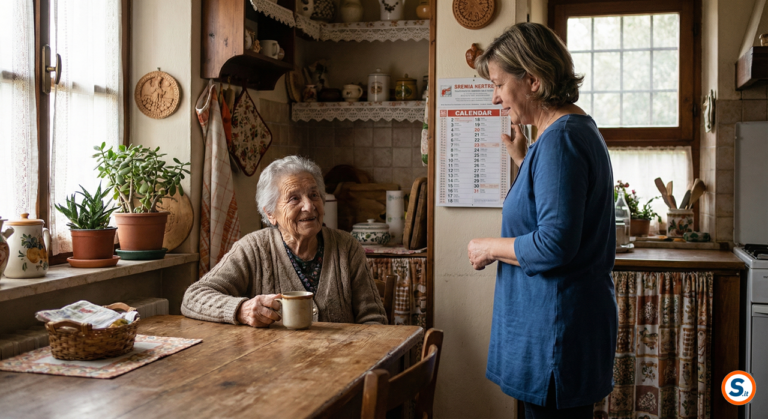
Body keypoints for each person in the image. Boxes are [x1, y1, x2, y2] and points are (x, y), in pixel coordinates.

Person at [467, 23, 617, 418]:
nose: (496, 97)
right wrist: (525, 159)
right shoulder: (562, 135)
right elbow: (552, 208)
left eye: (499, 84)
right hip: (558, 332)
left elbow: (554, 244)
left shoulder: (561, 141)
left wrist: (488, 247)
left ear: (532, 80)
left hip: (555, 336)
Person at [182, 155, 387, 327]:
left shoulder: (347, 247)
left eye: (314, 195)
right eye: (294, 198)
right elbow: (193, 297)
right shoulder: (253, 248)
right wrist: (241, 309)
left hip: (341, 359)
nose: (309, 206)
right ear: (270, 214)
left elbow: (374, 320)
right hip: (273, 361)